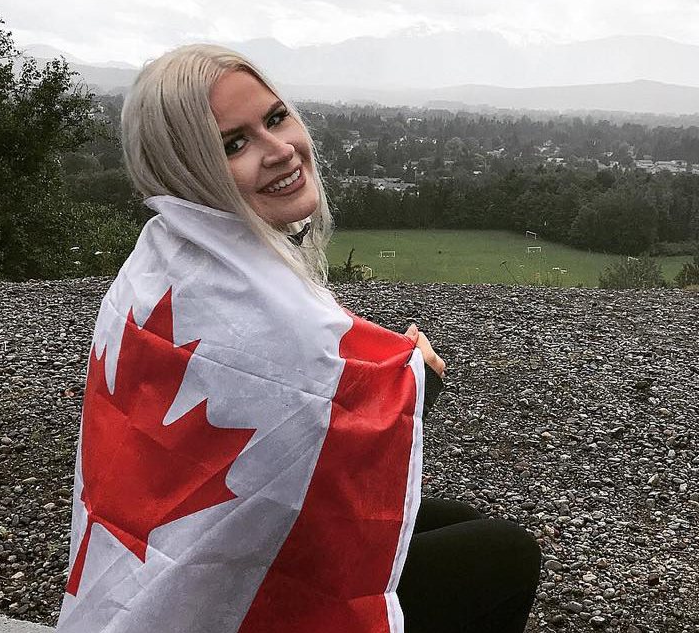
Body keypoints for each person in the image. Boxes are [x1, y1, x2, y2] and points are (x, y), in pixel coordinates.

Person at [57, 44, 540, 633]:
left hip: (158, 547)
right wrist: (418, 385)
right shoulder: (255, 309)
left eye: (276, 118)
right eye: (234, 144)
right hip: (212, 599)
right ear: (185, 171)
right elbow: (317, 426)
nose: (281, 150)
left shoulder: (160, 261)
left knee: (440, 520)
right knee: (505, 555)